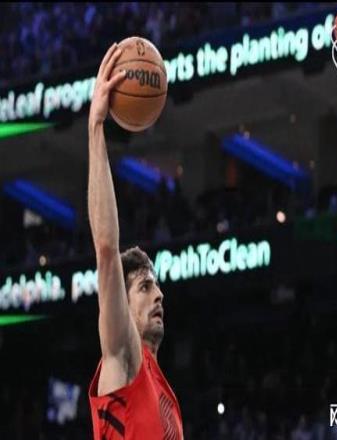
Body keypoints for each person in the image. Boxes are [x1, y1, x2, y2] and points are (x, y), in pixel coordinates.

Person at [87, 42, 183, 439]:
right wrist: (96, 128)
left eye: (155, 284)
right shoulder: (124, 358)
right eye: (145, 286)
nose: (159, 294)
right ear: (120, 305)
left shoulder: (166, 394)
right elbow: (107, 250)